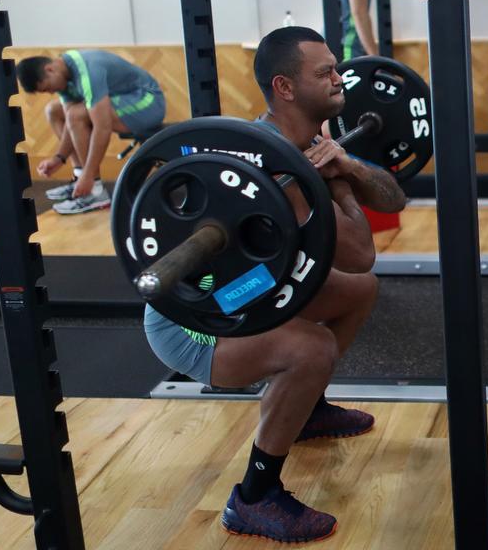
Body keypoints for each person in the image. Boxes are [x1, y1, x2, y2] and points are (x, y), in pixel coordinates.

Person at [143, 26, 407, 543]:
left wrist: (347, 163)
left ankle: (305, 412)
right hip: (195, 318)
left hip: (250, 287)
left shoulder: (311, 144)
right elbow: (359, 251)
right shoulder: (268, 161)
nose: (339, 78)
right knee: (313, 348)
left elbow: (393, 200)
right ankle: (254, 497)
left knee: (362, 292)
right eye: (324, 72)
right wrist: (337, 183)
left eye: (336, 67)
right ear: (285, 88)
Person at [15, 51, 166, 215]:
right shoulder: (64, 74)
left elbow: (102, 128)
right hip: (123, 100)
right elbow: (70, 125)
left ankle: (95, 192)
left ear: (50, 69)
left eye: (48, 88)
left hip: (148, 102)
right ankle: (80, 175)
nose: (51, 92)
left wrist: (89, 175)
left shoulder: (88, 73)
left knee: (76, 114)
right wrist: (59, 158)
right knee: (54, 110)